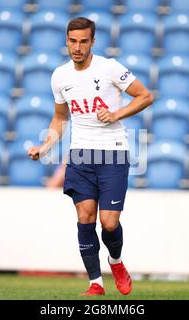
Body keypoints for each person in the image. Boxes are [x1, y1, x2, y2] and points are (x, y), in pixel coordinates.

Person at [28, 17, 153, 296]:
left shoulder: (109, 67)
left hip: (113, 153)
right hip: (80, 155)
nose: (77, 47)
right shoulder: (60, 76)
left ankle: (116, 262)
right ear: (66, 41)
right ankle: (95, 282)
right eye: (73, 41)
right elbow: (60, 118)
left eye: (84, 41)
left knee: (109, 222)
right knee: (85, 217)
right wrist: (44, 147)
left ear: (93, 42)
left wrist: (116, 114)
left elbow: (145, 96)